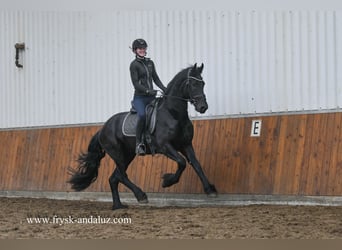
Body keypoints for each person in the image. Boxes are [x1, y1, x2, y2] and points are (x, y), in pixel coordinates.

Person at [130, 39, 167, 155]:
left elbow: (155, 78)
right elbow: (136, 84)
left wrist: (165, 89)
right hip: (140, 98)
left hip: (151, 97)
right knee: (142, 115)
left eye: (143, 48)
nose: (142, 50)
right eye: (139, 49)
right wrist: (147, 90)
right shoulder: (134, 65)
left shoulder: (150, 63)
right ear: (135, 50)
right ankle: (138, 144)